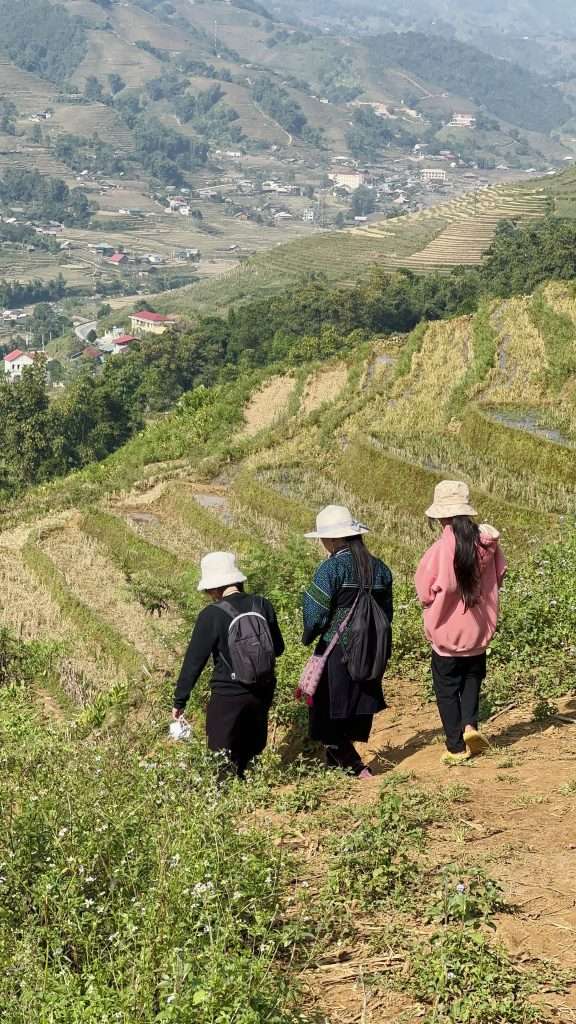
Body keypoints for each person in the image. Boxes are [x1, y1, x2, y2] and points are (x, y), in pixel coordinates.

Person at [414, 481, 507, 766]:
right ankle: (470, 728)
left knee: (446, 690)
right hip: (478, 635)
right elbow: (500, 574)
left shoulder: (439, 550)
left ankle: (455, 748)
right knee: (471, 683)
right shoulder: (488, 544)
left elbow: (424, 592)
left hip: (446, 638)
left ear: (441, 517)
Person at [172, 551, 285, 779]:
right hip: (262, 690)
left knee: (221, 757)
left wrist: (179, 700)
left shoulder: (211, 615)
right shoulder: (262, 604)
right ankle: (250, 794)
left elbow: (194, 661)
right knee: (250, 752)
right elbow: (279, 648)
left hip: (228, 694)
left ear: (213, 587)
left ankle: (228, 803)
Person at [302, 505, 393, 779]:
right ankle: (334, 769)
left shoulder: (330, 570)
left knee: (326, 717)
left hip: (337, 651)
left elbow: (315, 615)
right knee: (353, 710)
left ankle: (357, 768)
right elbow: (387, 614)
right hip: (371, 650)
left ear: (331, 539)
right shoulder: (380, 569)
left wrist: (308, 636)